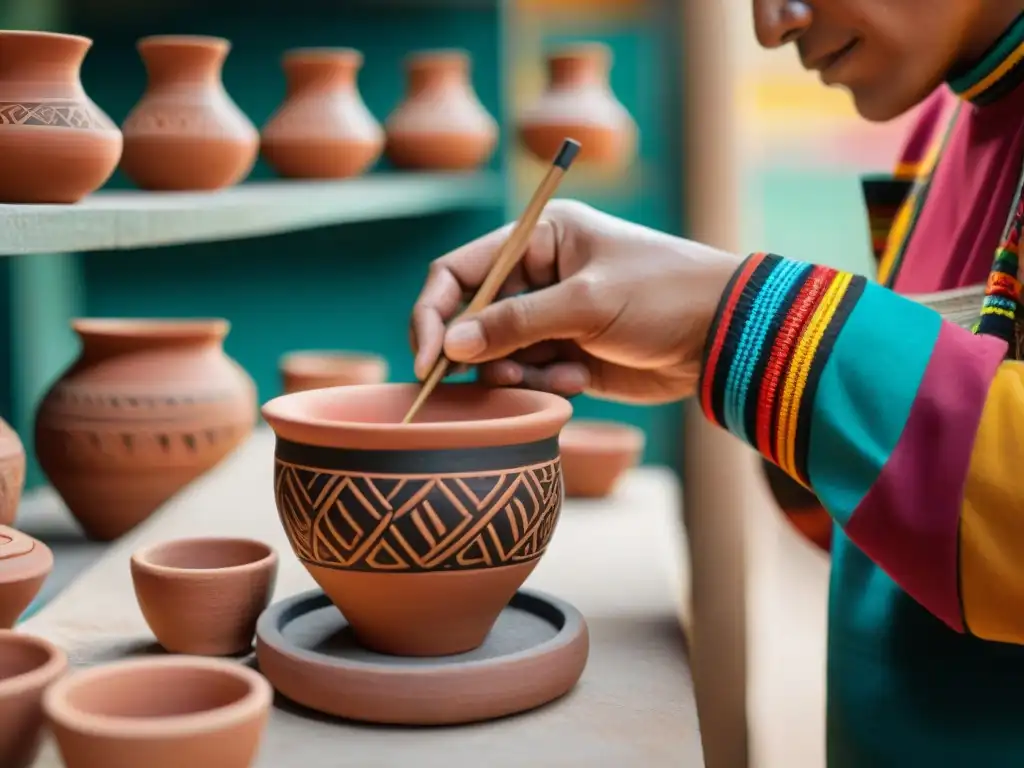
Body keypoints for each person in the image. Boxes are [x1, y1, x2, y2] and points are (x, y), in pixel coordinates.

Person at [410, 1, 1024, 766]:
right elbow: (936, 541)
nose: (773, 25)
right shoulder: (945, 123)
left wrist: (735, 322)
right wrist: (719, 362)